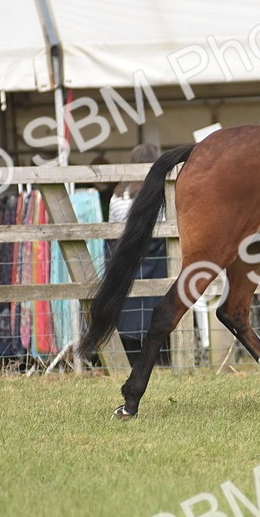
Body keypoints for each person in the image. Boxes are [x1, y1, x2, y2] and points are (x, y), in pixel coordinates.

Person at [108, 143, 169, 366]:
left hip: (123, 255)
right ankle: (157, 356)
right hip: (152, 252)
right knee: (153, 304)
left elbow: (112, 227)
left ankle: (129, 357)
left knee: (127, 305)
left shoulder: (116, 193)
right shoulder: (158, 191)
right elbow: (162, 226)